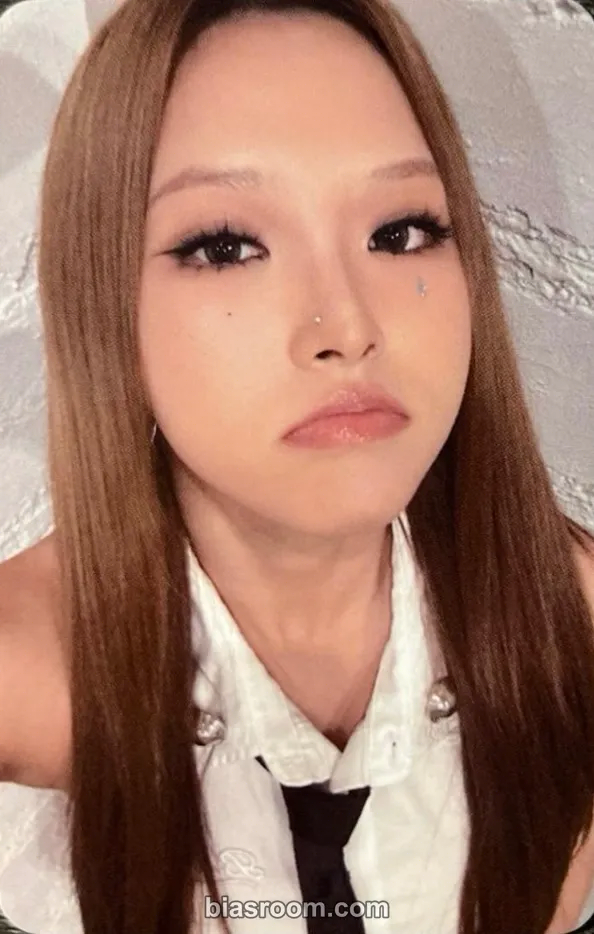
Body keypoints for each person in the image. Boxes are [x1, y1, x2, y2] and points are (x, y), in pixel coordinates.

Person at [0, 0, 594, 932]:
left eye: (400, 232)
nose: (347, 327)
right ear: (104, 300)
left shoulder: (568, 625)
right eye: (226, 246)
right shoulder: (29, 671)